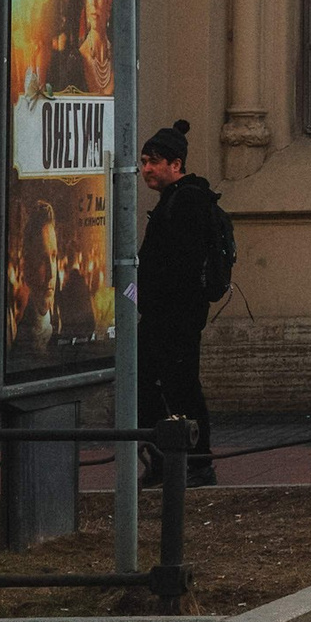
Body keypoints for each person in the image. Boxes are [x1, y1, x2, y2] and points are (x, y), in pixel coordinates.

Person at [135, 120, 221, 486]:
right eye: (143, 162)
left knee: (179, 387)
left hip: (174, 318)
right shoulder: (177, 200)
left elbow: (175, 268)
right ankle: (165, 460)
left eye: (153, 161)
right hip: (165, 316)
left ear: (176, 164)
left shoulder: (185, 202)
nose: (146, 169)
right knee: (154, 385)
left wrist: (136, 295)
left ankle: (195, 464)